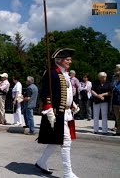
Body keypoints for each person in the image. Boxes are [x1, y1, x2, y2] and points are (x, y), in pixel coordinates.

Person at [36, 48, 79, 178]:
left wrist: (72, 104)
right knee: (66, 141)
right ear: (59, 60)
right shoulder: (51, 73)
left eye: (70, 59)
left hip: (66, 112)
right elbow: (45, 92)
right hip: (56, 113)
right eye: (68, 59)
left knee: (56, 141)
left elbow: (65, 93)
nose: (70, 62)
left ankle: (41, 162)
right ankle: (68, 173)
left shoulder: (64, 73)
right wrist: (48, 108)